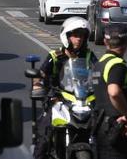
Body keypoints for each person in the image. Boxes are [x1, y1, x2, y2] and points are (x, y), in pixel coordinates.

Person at [32, 17, 97, 159]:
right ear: (66, 36)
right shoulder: (55, 57)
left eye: (81, 35)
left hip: (83, 99)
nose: (78, 39)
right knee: (44, 134)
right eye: (75, 35)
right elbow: (41, 74)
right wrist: (38, 85)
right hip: (58, 100)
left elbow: (98, 74)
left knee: (104, 131)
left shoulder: (89, 56)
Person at [93, 25, 127, 159]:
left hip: (100, 126)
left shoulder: (100, 63)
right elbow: (114, 92)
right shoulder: (117, 65)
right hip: (115, 127)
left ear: (106, 42)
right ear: (126, 42)